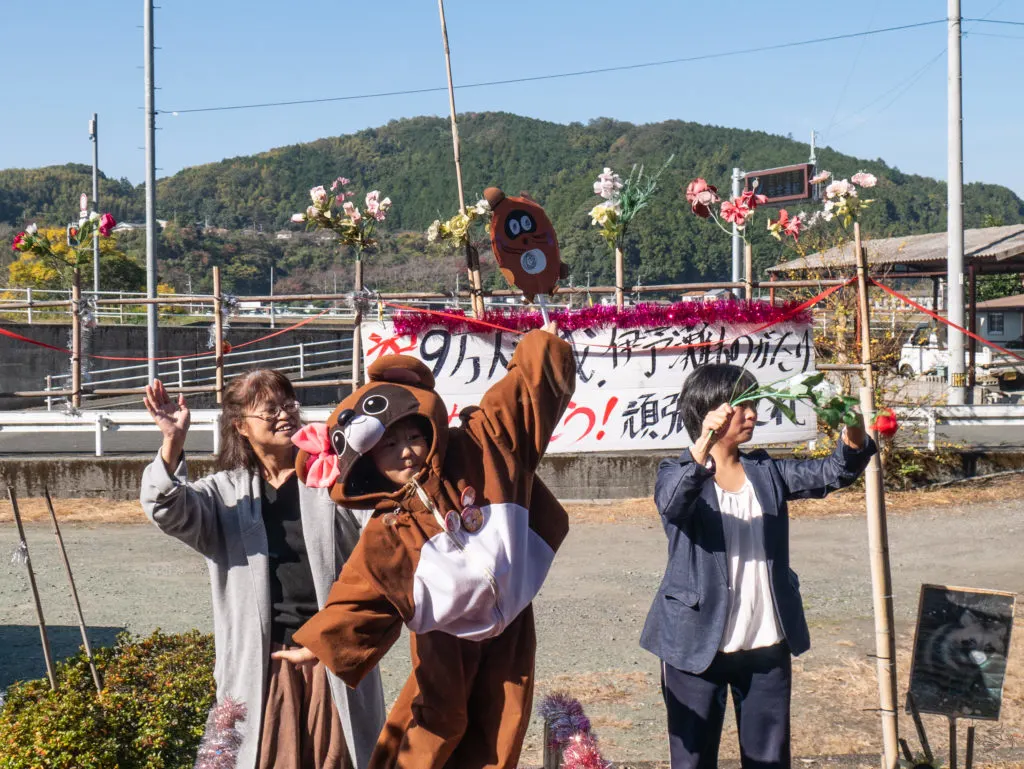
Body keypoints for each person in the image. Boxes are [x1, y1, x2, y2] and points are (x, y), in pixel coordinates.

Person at [273, 323, 575, 769]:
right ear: (367, 462)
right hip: (443, 627)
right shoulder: (389, 528)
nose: (407, 452)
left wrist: (542, 343)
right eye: (388, 445)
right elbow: (364, 592)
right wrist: (320, 645)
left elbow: (520, 399)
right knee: (440, 717)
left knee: (505, 716)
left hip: (511, 616)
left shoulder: (478, 447)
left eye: (412, 436)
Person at [140, 372, 386, 769]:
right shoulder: (224, 493)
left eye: (288, 404)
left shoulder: (330, 478)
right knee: (251, 757)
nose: (284, 414)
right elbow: (166, 509)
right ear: (240, 426)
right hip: (260, 665)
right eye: (269, 409)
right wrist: (173, 442)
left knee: (340, 757)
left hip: (330, 657)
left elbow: (381, 529)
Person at [639, 363, 875, 769]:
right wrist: (702, 445)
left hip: (766, 642)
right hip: (695, 645)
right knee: (692, 761)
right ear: (710, 411)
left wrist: (851, 427)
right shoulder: (677, 472)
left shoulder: (767, 472)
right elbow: (673, 502)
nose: (753, 414)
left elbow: (835, 471)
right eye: (742, 405)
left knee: (769, 760)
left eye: (755, 404)